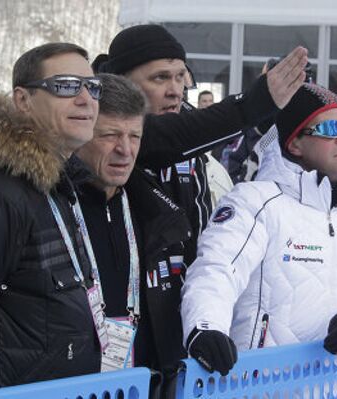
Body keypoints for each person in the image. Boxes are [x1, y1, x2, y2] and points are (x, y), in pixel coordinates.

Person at [181, 83, 337, 376]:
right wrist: (205, 327)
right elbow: (217, 269)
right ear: (295, 143)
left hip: (332, 386)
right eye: (330, 129)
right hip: (254, 385)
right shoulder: (257, 200)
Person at [96, 24, 307, 265]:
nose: (175, 91)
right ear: (123, 83)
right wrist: (254, 104)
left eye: (180, 77)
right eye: (160, 77)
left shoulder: (191, 133)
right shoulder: (101, 125)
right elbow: (170, 135)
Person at [0, 43, 102, 389]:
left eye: (93, 87)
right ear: (23, 100)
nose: (85, 99)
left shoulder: (59, 186)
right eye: (65, 86)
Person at [74, 73, 193, 379]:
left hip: (143, 382)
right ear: (81, 133)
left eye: (134, 136)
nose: (125, 150)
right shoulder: (51, 207)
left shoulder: (152, 208)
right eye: (110, 135)